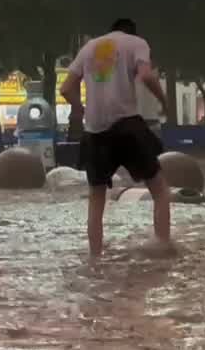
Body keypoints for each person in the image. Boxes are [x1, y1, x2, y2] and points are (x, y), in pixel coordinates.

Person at [60, 18, 172, 257]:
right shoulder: (137, 43)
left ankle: (95, 258)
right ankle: (162, 244)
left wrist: (79, 109)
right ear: (130, 32)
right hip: (127, 126)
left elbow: (66, 88)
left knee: (96, 198)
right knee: (160, 188)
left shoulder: (89, 48)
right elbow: (147, 76)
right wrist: (164, 102)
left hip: (95, 132)